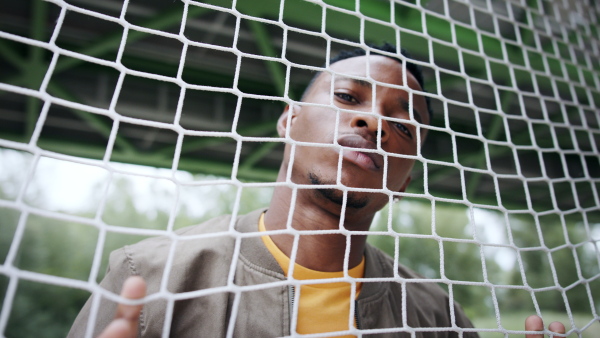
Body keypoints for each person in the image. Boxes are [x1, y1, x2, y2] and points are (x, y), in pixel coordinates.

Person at [69, 44, 566, 337]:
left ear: (405, 178)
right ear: (290, 120)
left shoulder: (435, 317)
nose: (374, 122)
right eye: (349, 98)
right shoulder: (151, 276)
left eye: (406, 126)